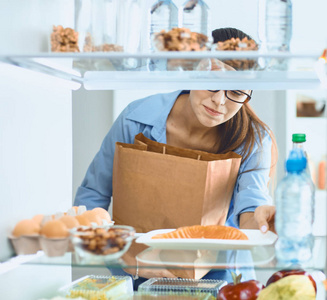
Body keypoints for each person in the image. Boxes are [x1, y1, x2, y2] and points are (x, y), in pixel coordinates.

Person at [74, 27, 277, 285]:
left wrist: (261, 219)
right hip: (138, 276)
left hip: (221, 281)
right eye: (212, 82)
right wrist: (125, 259)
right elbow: (92, 198)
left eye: (236, 92)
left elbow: (250, 207)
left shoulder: (255, 139)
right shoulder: (135, 119)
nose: (219, 101)